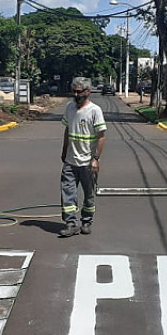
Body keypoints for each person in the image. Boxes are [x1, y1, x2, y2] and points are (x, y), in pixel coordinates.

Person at [59, 77, 106, 237]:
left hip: (87, 162)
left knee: (88, 194)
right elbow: (67, 130)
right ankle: (71, 224)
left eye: (79, 91)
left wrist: (96, 159)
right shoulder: (69, 107)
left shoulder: (95, 110)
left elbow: (101, 136)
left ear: (88, 92)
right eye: (74, 91)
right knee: (67, 192)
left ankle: (86, 222)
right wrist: (64, 150)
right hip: (70, 162)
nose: (76, 94)